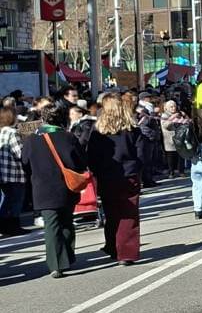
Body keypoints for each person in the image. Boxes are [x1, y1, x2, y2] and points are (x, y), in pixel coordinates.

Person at [20, 102, 87, 277]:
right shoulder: (68, 137)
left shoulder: (31, 140)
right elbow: (80, 161)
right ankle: (68, 257)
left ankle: (56, 263)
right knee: (66, 221)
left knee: (51, 225)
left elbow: (25, 163)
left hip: (42, 187)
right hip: (66, 186)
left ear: (43, 118)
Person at [87, 94, 143, 266]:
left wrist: (96, 173)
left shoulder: (98, 131)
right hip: (129, 174)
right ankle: (125, 252)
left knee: (111, 213)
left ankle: (113, 246)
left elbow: (91, 156)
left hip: (107, 176)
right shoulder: (132, 129)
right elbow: (142, 154)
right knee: (128, 214)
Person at [0, 102, 27, 236]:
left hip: (3, 172)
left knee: (6, 199)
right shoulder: (13, 132)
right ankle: (14, 226)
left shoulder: (1, 131)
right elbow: (20, 153)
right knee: (16, 200)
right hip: (14, 172)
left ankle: (4, 226)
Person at [160, 100, 182, 178]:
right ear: (167, 108)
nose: (173, 108)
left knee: (180, 155)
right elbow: (165, 125)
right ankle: (171, 172)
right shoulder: (164, 115)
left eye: (174, 106)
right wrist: (172, 118)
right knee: (170, 156)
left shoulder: (179, 114)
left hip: (179, 137)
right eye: (171, 107)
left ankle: (180, 171)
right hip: (169, 138)